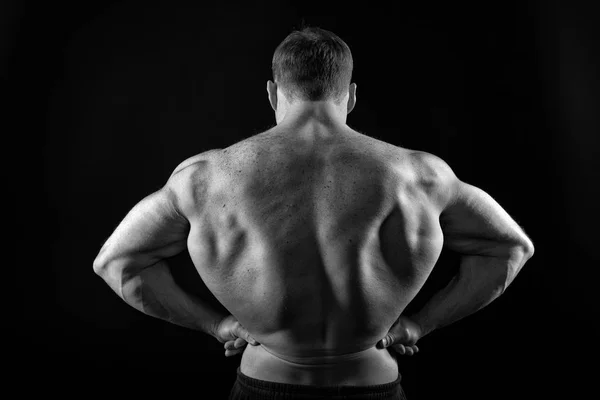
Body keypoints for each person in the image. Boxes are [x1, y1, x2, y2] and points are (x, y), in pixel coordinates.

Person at [93, 26, 534, 400]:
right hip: (373, 382)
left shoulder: (205, 177)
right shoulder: (422, 176)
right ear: (352, 95)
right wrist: (419, 326)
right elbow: (511, 248)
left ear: (272, 93)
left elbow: (116, 263)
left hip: (264, 381)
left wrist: (216, 325)